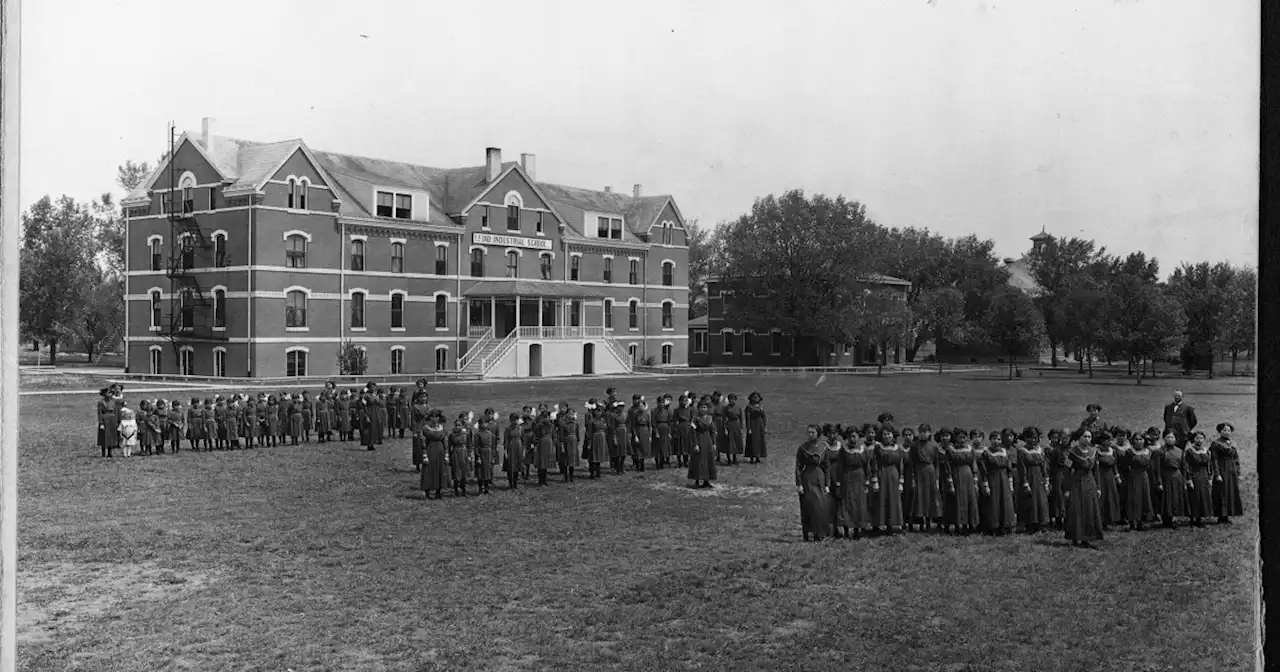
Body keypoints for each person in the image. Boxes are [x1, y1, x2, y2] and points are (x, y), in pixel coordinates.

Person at [1064, 428, 1104, 547]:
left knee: (1089, 509)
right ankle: (1075, 537)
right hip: (1076, 483)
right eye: (1085, 436)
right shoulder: (1071, 452)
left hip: (1090, 483)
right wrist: (1067, 489)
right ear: (1079, 438)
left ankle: (1087, 537)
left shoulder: (1093, 451)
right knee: (1076, 510)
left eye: (1089, 437)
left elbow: (1096, 470)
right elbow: (1067, 471)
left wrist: (1098, 487)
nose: (1087, 439)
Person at [834, 426, 872, 539]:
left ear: (858, 437)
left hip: (859, 477)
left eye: (854, 436)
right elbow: (840, 466)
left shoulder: (862, 448)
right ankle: (846, 529)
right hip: (847, 477)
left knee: (858, 503)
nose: (852, 439)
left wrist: (867, 480)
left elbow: (867, 465)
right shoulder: (844, 449)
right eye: (850, 436)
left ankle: (857, 529)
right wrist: (839, 482)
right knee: (847, 502)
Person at [796, 425, 831, 542]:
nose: (810, 435)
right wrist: (799, 484)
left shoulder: (823, 448)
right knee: (808, 506)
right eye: (808, 432)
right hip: (807, 479)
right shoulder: (802, 448)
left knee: (820, 507)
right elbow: (798, 467)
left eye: (812, 432)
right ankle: (807, 533)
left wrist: (827, 484)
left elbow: (826, 467)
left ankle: (819, 532)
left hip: (819, 478)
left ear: (818, 434)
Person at [1015, 427, 1051, 534]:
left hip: (1039, 477)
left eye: (1035, 438)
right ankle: (1030, 525)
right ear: (1026, 438)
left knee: (1041, 501)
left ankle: (1042, 524)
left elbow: (1043, 465)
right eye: (1031, 438)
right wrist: (1025, 482)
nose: (1034, 440)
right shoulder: (1022, 451)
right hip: (1029, 477)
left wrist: (1046, 479)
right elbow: (1022, 467)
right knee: (1030, 501)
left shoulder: (1040, 450)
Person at [945, 429, 980, 536]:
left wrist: (975, 480)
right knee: (958, 500)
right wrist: (950, 482)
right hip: (957, 476)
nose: (962, 440)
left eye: (964, 437)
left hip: (968, 476)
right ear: (955, 438)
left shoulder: (970, 449)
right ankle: (957, 525)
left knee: (970, 500)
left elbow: (974, 463)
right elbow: (948, 466)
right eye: (960, 437)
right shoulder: (950, 449)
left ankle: (969, 525)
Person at [873, 425, 906, 535]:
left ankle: (893, 524)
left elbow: (900, 465)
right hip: (882, 474)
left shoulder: (898, 448)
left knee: (893, 499)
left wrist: (901, 482)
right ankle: (881, 524)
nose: (887, 436)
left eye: (889, 434)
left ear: (893, 435)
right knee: (882, 499)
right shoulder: (878, 448)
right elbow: (875, 463)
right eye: (885, 434)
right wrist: (875, 480)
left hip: (893, 475)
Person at [910, 424, 941, 532]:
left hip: (930, 472)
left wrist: (936, 478)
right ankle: (920, 522)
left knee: (930, 497)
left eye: (925, 431)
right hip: (919, 472)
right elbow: (912, 462)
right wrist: (913, 477)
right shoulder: (914, 446)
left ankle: (929, 522)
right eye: (921, 431)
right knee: (920, 497)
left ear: (929, 433)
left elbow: (937, 463)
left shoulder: (933, 446)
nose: (923, 433)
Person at [1211, 422, 1243, 524]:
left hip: (1231, 471)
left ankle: (1227, 516)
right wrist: (1217, 474)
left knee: (1230, 493)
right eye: (1224, 430)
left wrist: (1237, 471)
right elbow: (1214, 460)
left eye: (1229, 430)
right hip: (1222, 470)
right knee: (1221, 493)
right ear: (1220, 431)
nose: (1227, 432)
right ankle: (1220, 516)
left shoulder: (1232, 444)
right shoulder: (1216, 444)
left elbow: (1236, 458)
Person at [1156, 428, 1187, 528]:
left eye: (1172, 437)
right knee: (1167, 497)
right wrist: (1159, 482)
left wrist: (1185, 479)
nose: (1170, 439)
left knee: (1175, 497)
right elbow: (1157, 468)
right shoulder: (1160, 451)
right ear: (1164, 438)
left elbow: (1183, 466)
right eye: (1168, 437)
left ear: (1175, 439)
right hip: (1166, 475)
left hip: (1177, 476)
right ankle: (1166, 518)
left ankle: (1174, 517)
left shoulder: (1180, 451)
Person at [1183, 430, 1213, 528]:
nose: (1199, 440)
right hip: (1194, 475)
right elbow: (1187, 466)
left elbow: (1209, 465)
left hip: (1204, 475)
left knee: (1203, 496)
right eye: (1197, 438)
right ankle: (1193, 518)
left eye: (1201, 438)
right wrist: (1189, 479)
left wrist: (1209, 477)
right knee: (1195, 496)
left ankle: (1200, 517)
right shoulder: (1189, 451)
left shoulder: (1206, 451)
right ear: (1193, 439)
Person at [1094, 430, 1122, 529]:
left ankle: (1110, 519)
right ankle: (1100, 521)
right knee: (1102, 498)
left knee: (1111, 497)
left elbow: (1115, 465)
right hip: (1101, 476)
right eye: (1108, 440)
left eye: (1111, 440)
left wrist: (1117, 476)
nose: (1110, 442)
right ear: (1102, 441)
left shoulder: (1113, 451)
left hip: (1110, 477)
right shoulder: (1096, 451)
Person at [688, 402, 717, 489]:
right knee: (698, 460)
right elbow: (693, 432)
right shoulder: (695, 419)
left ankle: (706, 481)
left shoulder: (710, 418)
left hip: (708, 441)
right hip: (699, 439)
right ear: (698, 408)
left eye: (705, 407)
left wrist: (714, 443)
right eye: (701, 407)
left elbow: (713, 431)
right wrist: (695, 444)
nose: (703, 409)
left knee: (708, 460)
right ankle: (697, 481)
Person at [421, 411, 448, 499]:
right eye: (432, 417)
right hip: (430, 450)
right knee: (428, 470)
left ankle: (438, 492)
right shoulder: (425, 429)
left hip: (440, 451)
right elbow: (423, 442)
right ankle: (427, 492)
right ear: (429, 418)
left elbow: (445, 441)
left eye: (436, 417)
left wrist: (446, 453)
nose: (434, 419)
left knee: (439, 470)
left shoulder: (442, 428)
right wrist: (424, 455)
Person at [558, 403, 581, 482]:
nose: (571, 415)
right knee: (565, 459)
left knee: (572, 459)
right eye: (569, 414)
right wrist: (562, 444)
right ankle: (565, 476)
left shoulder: (575, 423)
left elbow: (577, 434)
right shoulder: (563, 423)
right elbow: (561, 434)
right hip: (566, 441)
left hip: (573, 442)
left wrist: (578, 441)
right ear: (566, 414)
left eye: (572, 414)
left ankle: (571, 476)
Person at [586, 401, 609, 479]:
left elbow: (605, 429)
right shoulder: (591, 421)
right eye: (597, 411)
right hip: (594, 439)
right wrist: (589, 443)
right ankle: (592, 473)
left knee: (599, 456)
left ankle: (598, 473)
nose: (599, 412)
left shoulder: (603, 420)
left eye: (600, 411)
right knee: (593, 456)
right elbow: (589, 433)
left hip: (601, 439)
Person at [744, 392, 767, 464]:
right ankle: (751, 457)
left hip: (760, 425)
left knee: (760, 441)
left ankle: (758, 457)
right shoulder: (749, 407)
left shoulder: (761, 406)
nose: (756, 399)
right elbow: (747, 418)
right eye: (754, 397)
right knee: (752, 441)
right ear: (751, 398)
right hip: (752, 424)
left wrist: (765, 426)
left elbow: (764, 416)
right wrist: (749, 428)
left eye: (757, 397)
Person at [504, 413, 525, 490]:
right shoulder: (508, 429)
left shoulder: (520, 428)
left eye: (516, 419)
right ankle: (510, 483)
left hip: (519, 447)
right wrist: (505, 451)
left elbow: (523, 440)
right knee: (510, 466)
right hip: (510, 447)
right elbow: (506, 440)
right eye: (512, 420)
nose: (514, 421)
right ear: (510, 420)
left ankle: (515, 483)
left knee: (517, 465)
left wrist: (523, 451)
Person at [723, 394, 744, 466]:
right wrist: (725, 428)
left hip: (736, 425)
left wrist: (741, 428)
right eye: (731, 399)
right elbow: (724, 419)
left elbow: (741, 418)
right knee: (728, 442)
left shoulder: (738, 407)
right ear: (728, 400)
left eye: (733, 399)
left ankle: (735, 459)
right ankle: (729, 460)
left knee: (736, 441)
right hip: (730, 424)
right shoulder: (726, 408)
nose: (732, 400)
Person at [652, 396, 672, 470]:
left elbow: (669, 422)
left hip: (665, 429)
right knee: (657, 447)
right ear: (657, 403)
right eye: (660, 402)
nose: (661, 404)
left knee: (664, 447)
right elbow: (653, 422)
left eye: (662, 402)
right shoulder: (654, 411)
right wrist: (656, 432)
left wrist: (669, 433)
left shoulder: (667, 411)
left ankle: (662, 464)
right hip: (658, 427)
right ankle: (657, 463)